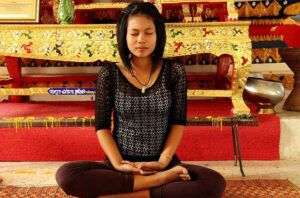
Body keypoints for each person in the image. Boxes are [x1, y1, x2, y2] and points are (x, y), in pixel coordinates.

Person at [56, 2, 226, 198]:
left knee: (213, 183)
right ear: (124, 35)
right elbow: (101, 126)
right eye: (134, 33)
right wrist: (118, 163)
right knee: (67, 175)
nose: (141, 40)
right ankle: (157, 183)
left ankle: (130, 193)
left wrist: (163, 162)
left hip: (163, 164)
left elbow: (178, 121)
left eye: (148, 33)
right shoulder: (110, 73)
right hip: (122, 168)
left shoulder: (174, 72)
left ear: (158, 35)